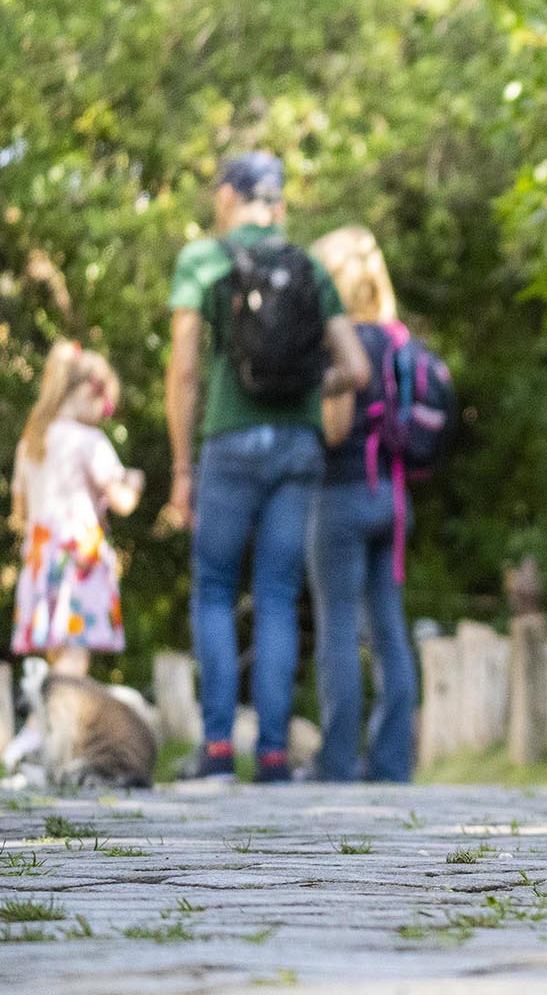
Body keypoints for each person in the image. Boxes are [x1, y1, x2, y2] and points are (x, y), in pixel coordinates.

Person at [160, 152, 371, 783]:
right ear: (276, 203)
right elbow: (356, 369)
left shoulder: (203, 261)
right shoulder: (308, 266)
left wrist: (180, 466)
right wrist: (309, 383)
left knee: (216, 590)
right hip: (299, 445)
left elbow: (186, 370)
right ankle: (275, 755)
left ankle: (219, 750)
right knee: (278, 595)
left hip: (229, 442)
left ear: (227, 196)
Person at [307, 226, 417, 782]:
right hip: (392, 500)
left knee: (338, 628)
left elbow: (337, 428)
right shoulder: (397, 338)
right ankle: (393, 763)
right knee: (390, 628)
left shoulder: (344, 341)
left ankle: (336, 760)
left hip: (342, 498)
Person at [9, 342, 144, 679]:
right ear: (90, 393)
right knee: (74, 662)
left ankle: (47, 724)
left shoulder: (30, 443)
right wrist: (135, 482)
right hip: (78, 560)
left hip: (41, 557)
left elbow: (20, 509)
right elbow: (123, 503)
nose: (106, 414)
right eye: (108, 405)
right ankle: (61, 729)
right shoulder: (90, 442)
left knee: (57, 657)